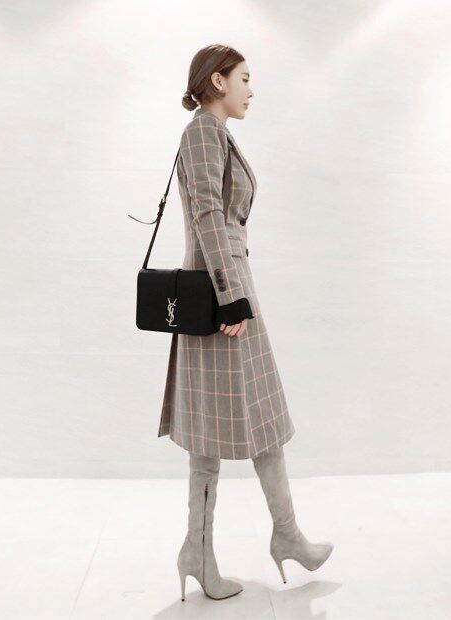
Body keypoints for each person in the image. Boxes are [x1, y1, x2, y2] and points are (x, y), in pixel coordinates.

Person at [157, 43, 333, 601]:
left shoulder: (215, 134)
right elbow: (208, 214)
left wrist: (234, 291)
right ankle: (224, 546)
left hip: (226, 287)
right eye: (245, 78)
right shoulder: (202, 133)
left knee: (254, 416)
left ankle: (277, 536)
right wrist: (231, 297)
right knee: (221, 427)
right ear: (217, 81)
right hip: (220, 296)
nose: (251, 90)